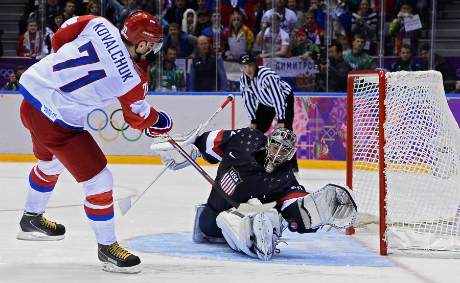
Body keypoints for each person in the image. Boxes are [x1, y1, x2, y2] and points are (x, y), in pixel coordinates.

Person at [16, 11, 172, 274]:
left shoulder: (98, 23)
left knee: (51, 163)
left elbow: (59, 40)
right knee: (100, 180)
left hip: (31, 97)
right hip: (56, 121)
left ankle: (31, 219)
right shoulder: (133, 79)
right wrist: (160, 122)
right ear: (142, 43)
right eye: (152, 45)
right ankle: (107, 248)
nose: (152, 51)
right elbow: (136, 118)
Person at [151, 127, 357, 260]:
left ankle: (255, 234)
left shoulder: (284, 179)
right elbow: (207, 142)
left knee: (268, 214)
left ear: (290, 155)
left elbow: (295, 207)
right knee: (228, 217)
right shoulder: (245, 139)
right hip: (211, 220)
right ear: (268, 143)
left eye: (284, 151)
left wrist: (310, 212)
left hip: (238, 218)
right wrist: (189, 149)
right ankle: (249, 233)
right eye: (275, 147)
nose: (277, 154)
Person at [237, 52, 299, 174]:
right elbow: (247, 100)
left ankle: (292, 167)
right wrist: (253, 121)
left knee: (285, 134)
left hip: (284, 99)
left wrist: (281, 120)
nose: (247, 69)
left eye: (249, 65)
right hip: (265, 102)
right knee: (256, 132)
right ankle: (261, 161)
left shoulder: (267, 76)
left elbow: (278, 98)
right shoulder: (244, 79)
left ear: (254, 65)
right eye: (244, 67)